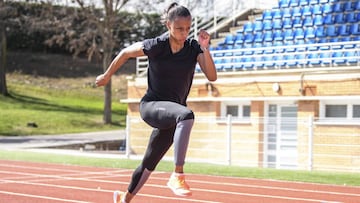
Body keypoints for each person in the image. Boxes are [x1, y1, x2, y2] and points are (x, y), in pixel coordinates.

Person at [95, 2, 217, 203]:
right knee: (186, 115)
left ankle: (123, 199)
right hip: (152, 106)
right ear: (168, 25)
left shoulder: (194, 48)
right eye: (179, 28)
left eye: (187, 28)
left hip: (172, 116)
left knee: (148, 164)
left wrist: (205, 48)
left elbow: (212, 76)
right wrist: (107, 75)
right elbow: (126, 52)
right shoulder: (156, 45)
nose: (184, 33)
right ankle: (178, 175)